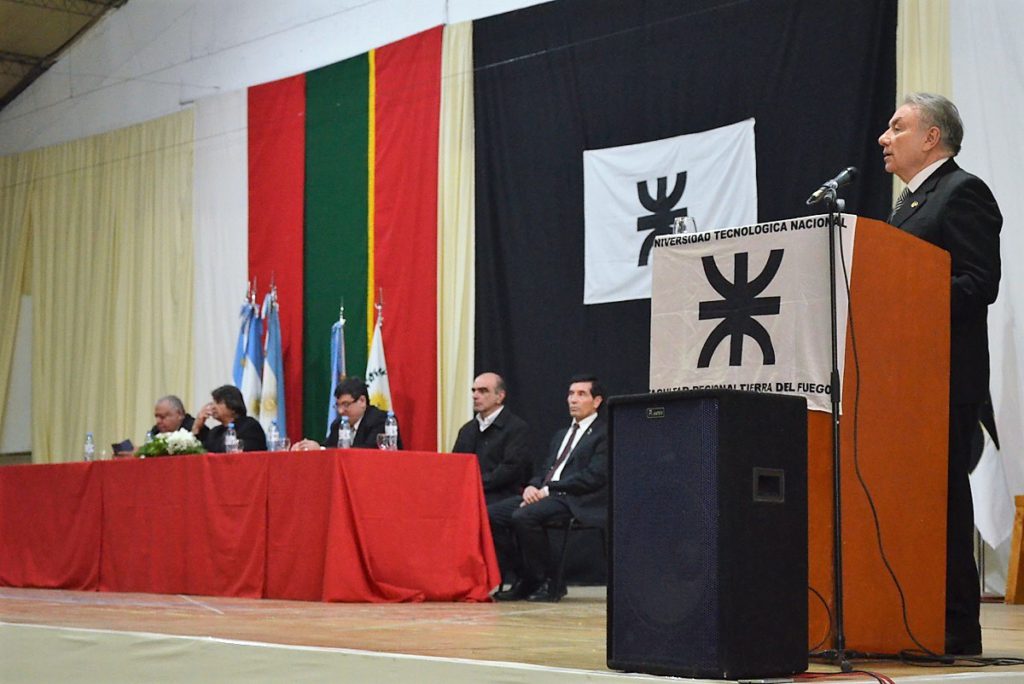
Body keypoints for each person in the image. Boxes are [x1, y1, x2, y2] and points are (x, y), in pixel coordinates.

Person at [878, 92, 1001, 656]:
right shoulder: (904, 205)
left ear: (932, 137)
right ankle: (908, 617)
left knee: (943, 503)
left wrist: (902, 293)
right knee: (908, 503)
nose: (885, 137)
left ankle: (954, 627)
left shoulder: (962, 191)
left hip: (944, 379)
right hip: (901, 379)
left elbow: (978, 283)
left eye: (897, 127)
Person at [488, 374, 608, 603]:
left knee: (524, 516)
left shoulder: (604, 434)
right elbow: (545, 469)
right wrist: (532, 486)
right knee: (492, 514)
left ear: (597, 401)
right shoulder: (561, 434)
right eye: (571, 394)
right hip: (547, 494)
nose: (573, 399)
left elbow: (594, 476)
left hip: (575, 498)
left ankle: (548, 580)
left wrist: (549, 489)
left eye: (581, 394)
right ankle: (527, 576)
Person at [452, 372, 532, 505]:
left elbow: (510, 469)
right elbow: (456, 464)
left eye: (483, 391)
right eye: (474, 391)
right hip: (469, 493)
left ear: (500, 396)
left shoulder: (516, 428)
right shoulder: (467, 430)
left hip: (502, 496)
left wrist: (476, 483)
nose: (475, 396)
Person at [291, 377, 392, 451]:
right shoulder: (338, 424)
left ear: (362, 401)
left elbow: (368, 452)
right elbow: (329, 446)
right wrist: (304, 447)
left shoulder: (380, 420)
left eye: (346, 404)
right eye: (338, 405)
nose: (340, 411)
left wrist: (321, 449)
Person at [192, 384, 268, 453]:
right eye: (213, 403)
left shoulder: (250, 427)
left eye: (219, 402)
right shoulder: (215, 432)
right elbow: (199, 453)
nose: (213, 407)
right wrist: (196, 427)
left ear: (233, 407)